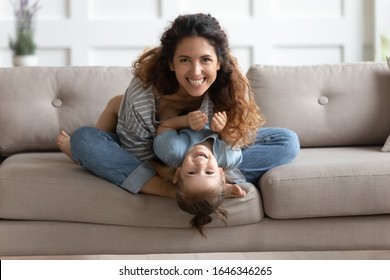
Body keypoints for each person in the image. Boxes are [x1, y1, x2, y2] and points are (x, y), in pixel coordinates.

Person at [60, 13, 300, 234]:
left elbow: (238, 139)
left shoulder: (229, 88)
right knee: (85, 139)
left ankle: (204, 184)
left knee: (287, 141)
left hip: (208, 156)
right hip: (158, 157)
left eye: (206, 59)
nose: (196, 71)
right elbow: (141, 157)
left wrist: (223, 135)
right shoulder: (142, 97)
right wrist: (179, 173)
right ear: (171, 63)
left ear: (218, 62)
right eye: (185, 60)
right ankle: (182, 189)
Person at [153, 110, 246, 236]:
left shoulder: (171, 150)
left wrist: (185, 120)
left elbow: (164, 126)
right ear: (221, 173)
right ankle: (226, 186)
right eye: (209, 172)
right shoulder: (228, 157)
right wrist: (222, 129)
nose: (200, 164)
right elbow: (238, 138)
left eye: (191, 172)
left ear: (178, 173)